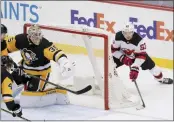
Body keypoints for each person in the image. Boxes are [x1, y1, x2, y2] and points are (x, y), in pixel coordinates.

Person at [6, 24, 72, 108]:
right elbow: (5, 46)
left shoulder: (45, 44)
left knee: (30, 99)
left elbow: (57, 53)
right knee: (7, 86)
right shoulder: (20, 39)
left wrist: (64, 62)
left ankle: (54, 89)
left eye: (39, 35)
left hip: (40, 74)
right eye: (34, 35)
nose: (37, 37)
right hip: (23, 70)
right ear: (29, 36)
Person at [1, 24, 22, 117]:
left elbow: (4, 57)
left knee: (14, 72)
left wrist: (17, 70)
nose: (4, 36)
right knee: (6, 77)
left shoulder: (2, 43)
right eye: (3, 34)